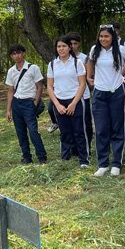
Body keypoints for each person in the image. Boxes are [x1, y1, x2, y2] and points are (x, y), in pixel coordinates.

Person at [87, 25, 125, 176]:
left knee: (117, 128)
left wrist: (124, 74)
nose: (103, 39)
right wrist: (89, 77)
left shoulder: (120, 49)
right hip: (100, 93)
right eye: (101, 36)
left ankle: (116, 163)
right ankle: (103, 163)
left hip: (117, 93)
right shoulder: (95, 49)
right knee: (101, 129)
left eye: (106, 36)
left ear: (112, 37)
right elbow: (90, 62)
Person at [46, 36, 89, 167]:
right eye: (58, 46)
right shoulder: (53, 64)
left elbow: (82, 84)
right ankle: (65, 157)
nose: (61, 49)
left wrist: (73, 103)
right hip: (59, 101)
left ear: (70, 48)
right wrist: (57, 104)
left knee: (79, 131)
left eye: (64, 46)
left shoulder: (77, 63)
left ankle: (84, 159)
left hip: (75, 100)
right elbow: (49, 86)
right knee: (65, 131)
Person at [5, 44, 47, 164]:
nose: (17, 56)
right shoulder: (11, 71)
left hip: (29, 102)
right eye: (13, 54)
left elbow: (40, 86)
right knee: (20, 132)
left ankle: (42, 155)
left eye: (18, 53)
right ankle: (26, 156)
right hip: (16, 103)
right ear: (11, 56)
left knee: (33, 130)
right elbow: (10, 91)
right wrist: (8, 110)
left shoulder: (33, 68)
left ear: (24, 53)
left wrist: (35, 102)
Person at [68, 32, 94, 151]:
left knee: (85, 122)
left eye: (75, 43)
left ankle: (86, 145)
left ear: (79, 44)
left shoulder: (84, 58)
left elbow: (89, 77)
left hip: (84, 95)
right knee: (71, 123)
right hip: (68, 94)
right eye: (70, 43)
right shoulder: (62, 59)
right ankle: (73, 147)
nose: (73, 46)